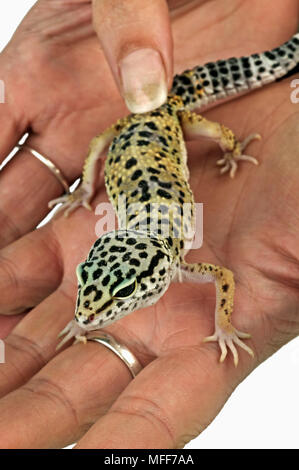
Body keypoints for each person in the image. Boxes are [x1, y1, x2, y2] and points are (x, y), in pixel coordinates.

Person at [0, 0, 298, 449]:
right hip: (130, 138)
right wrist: (86, 194)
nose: (92, 309)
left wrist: (224, 326)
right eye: (94, 291)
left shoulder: (177, 261)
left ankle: (231, 145)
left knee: (214, 131)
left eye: (118, 298)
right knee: (105, 137)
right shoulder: (137, 256)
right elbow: (104, 285)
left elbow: (223, 276)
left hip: (165, 122)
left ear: (156, 276)